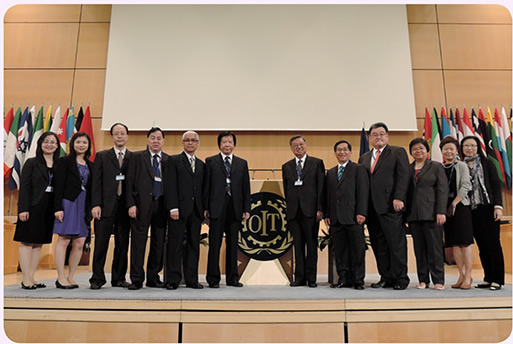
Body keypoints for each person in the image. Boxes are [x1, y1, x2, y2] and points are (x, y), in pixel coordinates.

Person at [358, 122, 410, 290]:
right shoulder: (364, 157)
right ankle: (385, 277)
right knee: (379, 244)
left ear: (387, 136)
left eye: (381, 134)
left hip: (390, 205)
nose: (378, 137)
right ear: (370, 138)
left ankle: (400, 278)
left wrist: (399, 197)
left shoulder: (397, 152)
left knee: (396, 244)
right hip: (371, 209)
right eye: (374, 134)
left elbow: (403, 176)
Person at [14, 132, 60, 289]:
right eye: (46, 141)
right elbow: (25, 188)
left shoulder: (59, 164)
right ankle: (25, 278)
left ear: (57, 146)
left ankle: (31, 277)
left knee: (38, 243)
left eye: (53, 142)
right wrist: (23, 208)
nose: (49, 144)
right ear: (40, 144)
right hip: (32, 207)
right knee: (27, 242)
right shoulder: (31, 163)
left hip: (48, 208)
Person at [204, 131, 250, 288]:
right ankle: (213, 278)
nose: (227, 145)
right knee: (214, 244)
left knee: (233, 245)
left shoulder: (242, 163)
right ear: (219, 145)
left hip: (235, 208)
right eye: (224, 142)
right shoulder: (210, 161)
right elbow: (206, 187)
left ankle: (232, 278)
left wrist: (246, 209)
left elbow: (246, 188)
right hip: (216, 208)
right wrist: (205, 207)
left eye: (230, 142)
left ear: (234, 145)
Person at [89, 123, 132, 289]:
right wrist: (95, 204)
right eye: (116, 133)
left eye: (122, 133)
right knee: (101, 243)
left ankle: (119, 278)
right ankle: (97, 278)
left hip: (125, 207)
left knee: (122, 244)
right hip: (105, 206)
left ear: (127, 136)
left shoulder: (133, 157)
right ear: (112, 137)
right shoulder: (102, 156)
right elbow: (96, 183)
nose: (119, 136)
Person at [126, 127, 169, 290]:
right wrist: (131, 204)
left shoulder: (167, 159)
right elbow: (129, 182)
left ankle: (153, 277)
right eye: (153, 138)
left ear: (163, 141)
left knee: (158, 243)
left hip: (161, 206)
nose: (156, 141)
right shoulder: (136, 157)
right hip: (140, 206)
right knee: (138, 243)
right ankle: (136, 279)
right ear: (147, 140)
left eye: (159, 138)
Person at [460, 135, 505, 291]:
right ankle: (487, 278)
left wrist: (498, 206)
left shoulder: (487, 163)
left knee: (493, 244)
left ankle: (497, 279)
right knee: (482, 245)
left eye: (472, 145)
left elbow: (495, 185)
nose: (469, 148)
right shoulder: (460, 165)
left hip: (488, 208)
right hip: (471, 210)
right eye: (466, 145)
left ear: (478, 147)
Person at [282, 135, 325, 288]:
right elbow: (287, 190)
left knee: (311, 245)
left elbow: (321, 188)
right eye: (295, 145)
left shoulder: (316, 163)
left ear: (306, 145)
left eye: (301, 144)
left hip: (311, 212)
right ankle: (299, 277)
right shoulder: (286, 166)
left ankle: (311, 278)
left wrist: (320, 209)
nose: (298, 147)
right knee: (297, 246)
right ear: (291, 148)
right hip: (294, 212)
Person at [164, 131, 205, 290]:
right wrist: (173, 207)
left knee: (194, 245)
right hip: (178, 210)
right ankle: (173, 280)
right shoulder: (174, 160)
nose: (190, 143)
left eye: (193, 140)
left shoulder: (201, 164)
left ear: (197, 143)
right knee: (175, 245)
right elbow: (170, 185)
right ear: (183, 143)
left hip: (196, 212)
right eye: (187, 140)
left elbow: (203, 189)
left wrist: (204, 210)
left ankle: (192, 279)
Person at [325, 140, 368, 290]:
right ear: (335, 153)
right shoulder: (330, 172)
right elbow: (328, 196)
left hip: (354, 217)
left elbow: (363, 192)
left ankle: (358, 280)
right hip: (336, 218)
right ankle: (343, 279)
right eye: (339, 150)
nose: (342, 152)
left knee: (357, 250)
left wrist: (361, 212)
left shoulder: (358, 169)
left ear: (350, 152)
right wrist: (327, 214)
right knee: (340, 251)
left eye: (345, 149)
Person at [53, 132, 93, 289]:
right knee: (64, 239)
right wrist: (58, 208)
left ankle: (70, 276)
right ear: (73, 144)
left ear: (88, 145)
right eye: (78, 142)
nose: (81, 145)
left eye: (84, 142)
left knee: (80, 242)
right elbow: (58, 185)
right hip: (68, 203)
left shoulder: (91, 164)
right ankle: (60, 277)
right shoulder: (64, 162)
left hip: (83, 205)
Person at [406, 138, 448, 290]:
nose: (418, 151)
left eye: (421, 148)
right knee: (419, 249)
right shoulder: (408, 168)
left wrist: (441, 211)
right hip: (414, 215)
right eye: (415, 149)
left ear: (427, 150)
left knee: (434, 248)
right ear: (411, 152)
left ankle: (438, 280)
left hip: (432, 214)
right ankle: (423, 279)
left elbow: (443, 190)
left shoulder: (436, 166)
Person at [439, 136, 474, 290]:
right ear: (441, 151)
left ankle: (468, 276)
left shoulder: (461, 166)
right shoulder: (439, 167)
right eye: (445, 149)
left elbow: (466, 185)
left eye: (451, 148)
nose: (448, 151)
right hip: (446, 209)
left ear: (456, 150)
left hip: (460, 206)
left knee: (465, 242)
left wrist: (454, 203)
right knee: (453, 243)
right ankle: (461, 274)